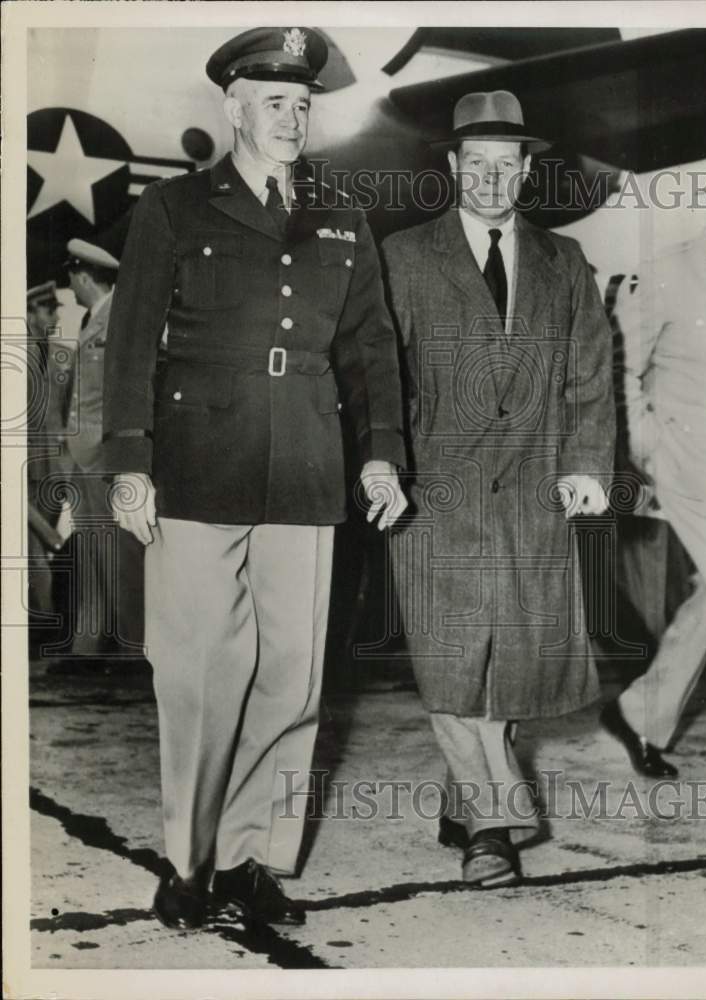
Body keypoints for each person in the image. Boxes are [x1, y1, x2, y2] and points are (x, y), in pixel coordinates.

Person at [102, 27, 406, 930]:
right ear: (233, 107)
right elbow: (129, 346)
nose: (292, 117)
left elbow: (369, 349)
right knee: (200, 673)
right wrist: (129, 462)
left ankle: (248, 861)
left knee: (291, 680)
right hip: (199, 465)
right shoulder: (175, 208)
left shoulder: (343, 217)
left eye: (304, 104)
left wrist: (380, 451)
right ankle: (189, 865)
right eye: (274, 102)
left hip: (308, 468)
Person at [381, 91, 615, 888]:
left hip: (532, 489)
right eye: (473, 164)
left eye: (503, 166)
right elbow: (379, 378)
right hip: (431, 490)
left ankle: (463, 800)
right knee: (449, 661)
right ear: (450, 168)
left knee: (508, 663)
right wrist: (381, 464)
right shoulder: (402, 257)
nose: (488, 179)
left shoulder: (565, 263)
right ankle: (494, 824)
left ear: (524, 173)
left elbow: (589, 375)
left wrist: (586, 465)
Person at [601, 187, 706, 776]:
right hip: (685, 465)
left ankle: (639, 713)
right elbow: (619, 370)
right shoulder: (668, 272)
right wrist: (644, 448)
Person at [54, 239, 145, 667]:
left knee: (122, 553)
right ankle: (88, 646)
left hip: (108, 457)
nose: (68, 287)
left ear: (84, 275)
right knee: (91, 551)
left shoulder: (121, 319)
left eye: (71, 277)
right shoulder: (94, 319)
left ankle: (134, 646)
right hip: (84, 457)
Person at [26, 281, 67, 630]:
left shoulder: (60, 354)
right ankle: (41, 620)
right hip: (23, 469)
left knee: (44, 545)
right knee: (33, 546)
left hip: (54, 469)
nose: (55, 316)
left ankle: (42, 617)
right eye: (49, 309)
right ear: (30, 311)